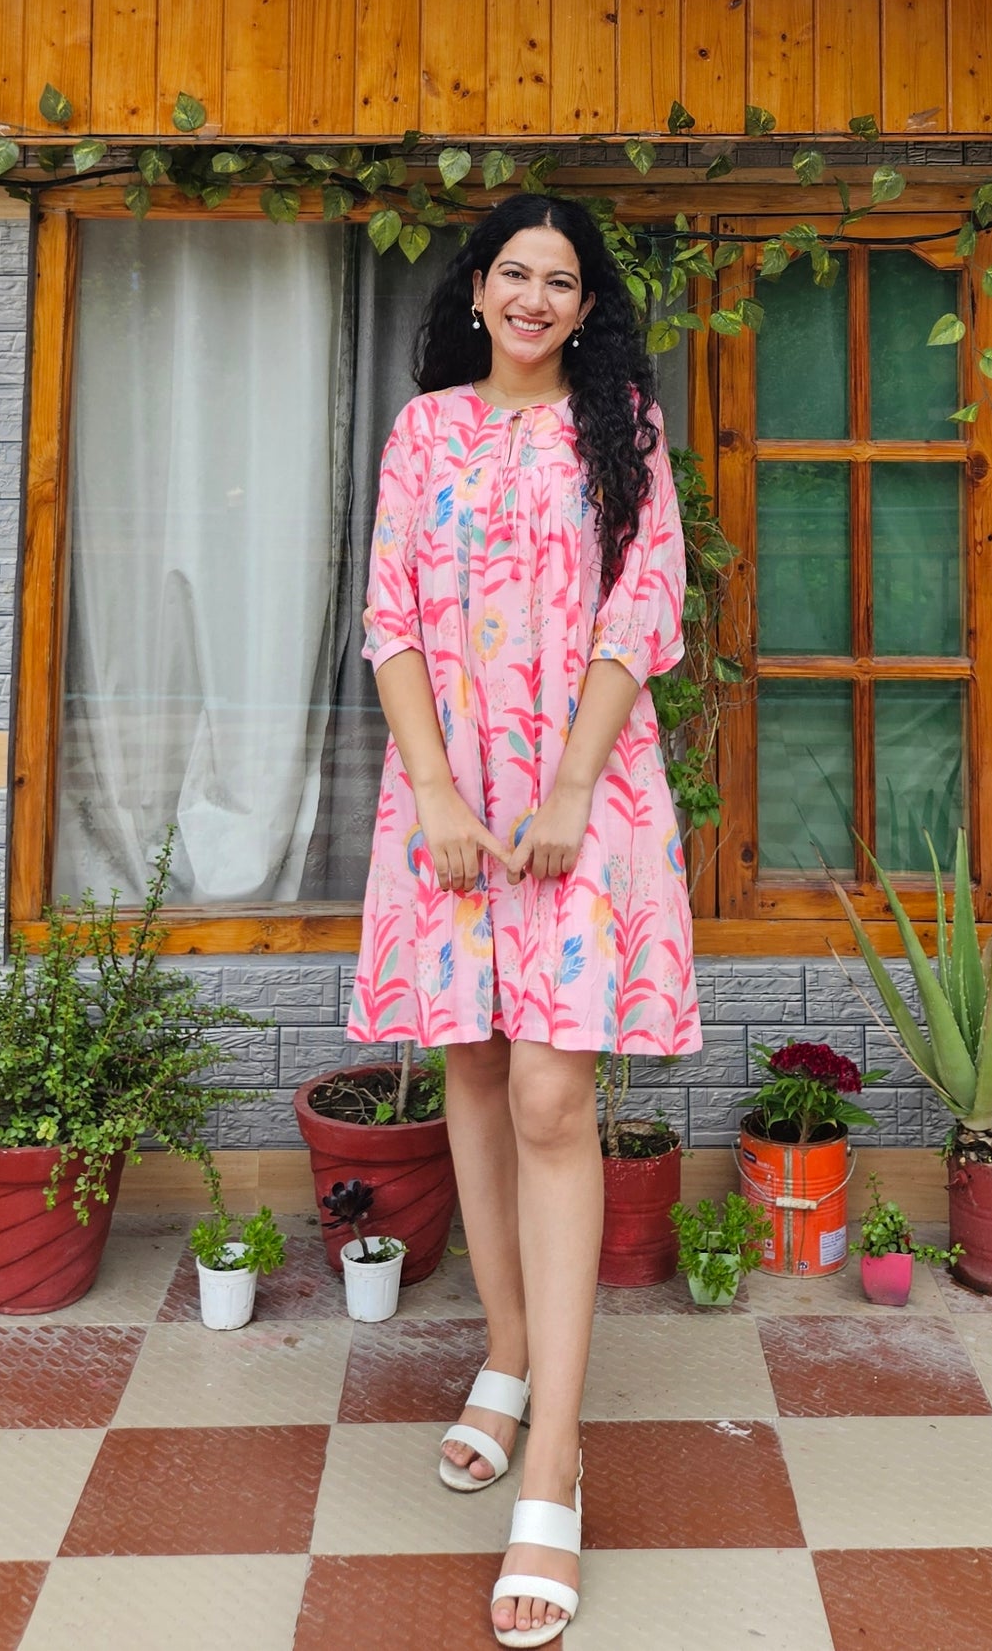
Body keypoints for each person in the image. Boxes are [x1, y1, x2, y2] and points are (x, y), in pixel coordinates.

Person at [346, 191, 701, 1647]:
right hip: (447, 805)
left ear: (586, 301)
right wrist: (435, 791)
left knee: (555, 1091)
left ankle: (551, 1452)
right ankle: (503, 1353)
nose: (535, 297)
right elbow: (392, 620)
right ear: (478, 289)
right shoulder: (424, 428)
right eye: (515, 273)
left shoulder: (620, 425)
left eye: (562, 279)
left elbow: (645, 608)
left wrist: (564, 782)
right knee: (476, 1073)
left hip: (582, 798)